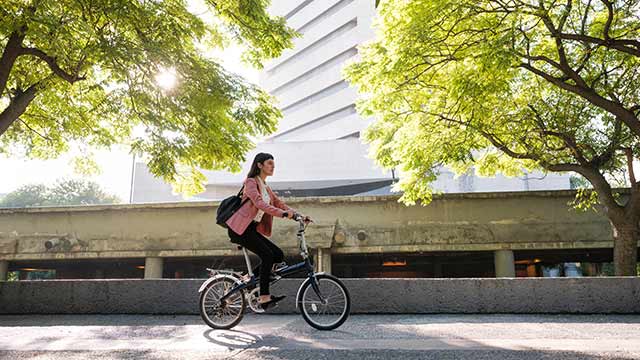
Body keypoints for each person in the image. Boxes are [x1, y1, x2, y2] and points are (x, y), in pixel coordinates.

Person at [225, 152, 312, 309]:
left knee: (277, 255)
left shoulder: (265, 186)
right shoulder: (250, 182)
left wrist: (298, 215)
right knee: (267, 255)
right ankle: (264, 297)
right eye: (269, 163)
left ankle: (247, 278)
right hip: (240, 229)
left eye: (273, 163)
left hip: (250, 229)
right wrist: (283, 214)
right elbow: (259, 203)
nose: (273, 166)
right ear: (259, 165)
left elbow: (279, 203)